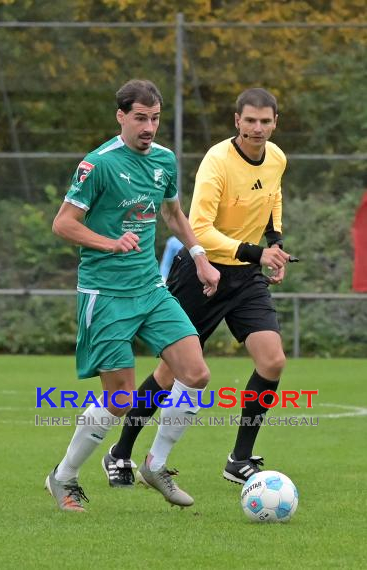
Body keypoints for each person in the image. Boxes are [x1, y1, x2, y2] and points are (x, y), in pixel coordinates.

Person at [102, 87, 292, 493]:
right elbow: (200, 228)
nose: (258, 128)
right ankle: (120, 452)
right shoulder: (217, 161)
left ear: (275, 122)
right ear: (236, 120)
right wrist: (257, 252)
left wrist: (273, 243)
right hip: (201, 272)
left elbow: (273, 198)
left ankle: (239, 459)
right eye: (250, 121)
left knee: (272, 360)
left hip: (245, 277)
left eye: (265, 121)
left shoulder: (276, 157)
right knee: (171, 372)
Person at [45, 79, 220, 512]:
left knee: (196, 373)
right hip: (105, 293)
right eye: (140, 117)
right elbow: (63, 223)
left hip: (150, 289)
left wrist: (199, 256)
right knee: (120, 399)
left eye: (155, 118)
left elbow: (173, 213)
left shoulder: (164, 161)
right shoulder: (97, 165)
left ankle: (155, 465)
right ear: (121, 116)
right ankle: (63, 477)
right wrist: (109, 242)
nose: (149, 127)